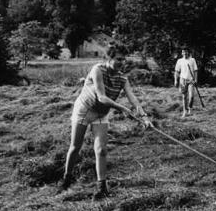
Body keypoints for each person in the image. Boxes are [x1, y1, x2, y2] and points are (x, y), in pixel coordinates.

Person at [59, 43, 153, 200]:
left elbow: (133, 99)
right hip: (85, 110)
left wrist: (144, 117)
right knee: (75, 147)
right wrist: (121, 108)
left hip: (102, 114)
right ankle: (66, 178)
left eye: (124, 60)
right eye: (118, 59)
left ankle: (101, 186)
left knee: (101, 150)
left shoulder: (122, 78)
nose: (121, 62)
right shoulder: (98, 70)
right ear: (109, 58)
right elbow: (102, 97)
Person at [174, 47, 198, 118]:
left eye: (186, 52)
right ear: (182, 53)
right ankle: (185, 111)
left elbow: (195, 70)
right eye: (183, 52)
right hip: (182, 80)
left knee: (191, 96)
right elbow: (177, 71)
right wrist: (176, 80)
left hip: (191, 80)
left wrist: (196, 79)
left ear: (188, 52)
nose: (185, 53)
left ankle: (190, 108)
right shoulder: (179, 61)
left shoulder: (192, 60)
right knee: (184, 96)